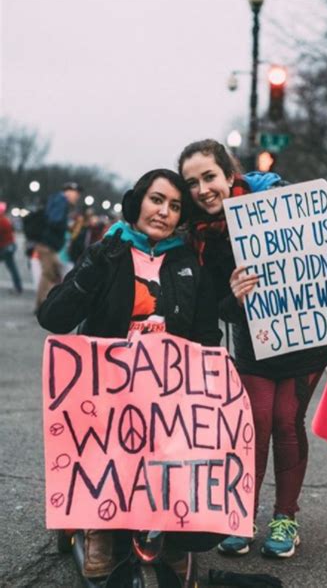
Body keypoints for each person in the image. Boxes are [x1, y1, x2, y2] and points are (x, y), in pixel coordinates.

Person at [178, 139, 327, 559]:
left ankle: (286, 517)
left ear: (229, 175)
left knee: (287, 420)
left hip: (308, 337)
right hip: (254, 344)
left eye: (209, 176)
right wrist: (234, 296)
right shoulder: (199, 237)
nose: (202, 189)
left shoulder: (280, 199)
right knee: (256, 422)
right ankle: (242, 515)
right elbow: (218, 310)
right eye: (191, 183)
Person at [37, 168, 223, 579]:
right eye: (157, 200)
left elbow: (207, 335)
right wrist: (95, 265)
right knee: (107, 433)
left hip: (169, 393)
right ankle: (99, 523)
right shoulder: (109, 253)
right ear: (138, 202)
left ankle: (170, 528)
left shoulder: (188, 262)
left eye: (175, 206)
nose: (164, 212)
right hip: (109, 390)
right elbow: (54, 317)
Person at [35, 182, 82, 310]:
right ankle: (43, 304)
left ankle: (43, 302)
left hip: (48, 244)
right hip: (49, 245)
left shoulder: (56, 199)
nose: (76, 198)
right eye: (76, 195)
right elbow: (55, 220)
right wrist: (65, 226)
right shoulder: (61, 201)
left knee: (52, 273)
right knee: (49, 275)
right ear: (70, 192)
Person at [0, 202, 23, 294]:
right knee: (12, 267)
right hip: (8, 246)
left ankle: (18, 287)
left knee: (12, 267)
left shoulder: (2, 221)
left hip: (6, 247)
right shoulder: (4, 219)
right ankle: (18, 287)